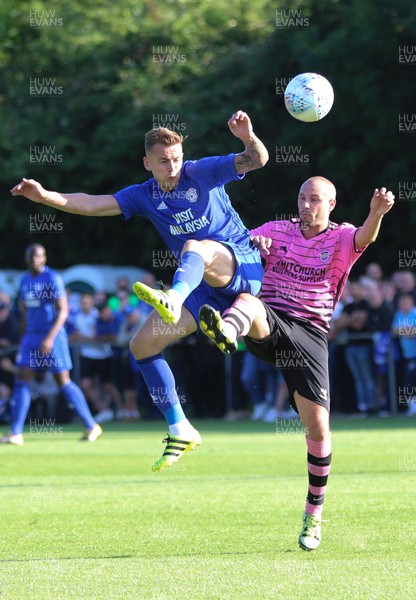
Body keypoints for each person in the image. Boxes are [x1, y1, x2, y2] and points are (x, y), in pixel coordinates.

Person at [11, 110, 268, 470]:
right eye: (164, 161)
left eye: (176, 158)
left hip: (240, 266)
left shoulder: (201, 171)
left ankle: (172, 299)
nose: (173, 166)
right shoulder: (143, 195)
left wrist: (247, 136)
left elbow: (257, 159)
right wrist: (45, 197)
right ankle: (180, 427)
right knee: (142, 345)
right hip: (200, 285)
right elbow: (92, 203)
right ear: (147, 163)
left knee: (196, 247)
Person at [198, 177, 395, 551]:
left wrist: (376, 212)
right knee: (250, 302)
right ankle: (226, 330)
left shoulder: (341, 237)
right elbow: (236, 251)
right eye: (302, 198)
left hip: (309, 334)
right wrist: (252, 245)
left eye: (315, 200)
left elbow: (365, 238)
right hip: (269, 322)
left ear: (331, 204)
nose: (306, 205)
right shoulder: (276, 229)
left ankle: (313, 513)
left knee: (318, 428)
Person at [0, 245, 102, 446]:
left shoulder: (52, 278)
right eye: (31, 256)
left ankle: (92, 425)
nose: (34, 259)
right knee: (22, 380)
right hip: (30, 336)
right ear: (27, 259)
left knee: (62, 381)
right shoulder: (24, 280)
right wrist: (23, 339)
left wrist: (49, 338)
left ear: (44, 258)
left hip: (52, 337)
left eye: (38, 256)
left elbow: (63, 311)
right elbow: (23, 313)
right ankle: (16, 433)